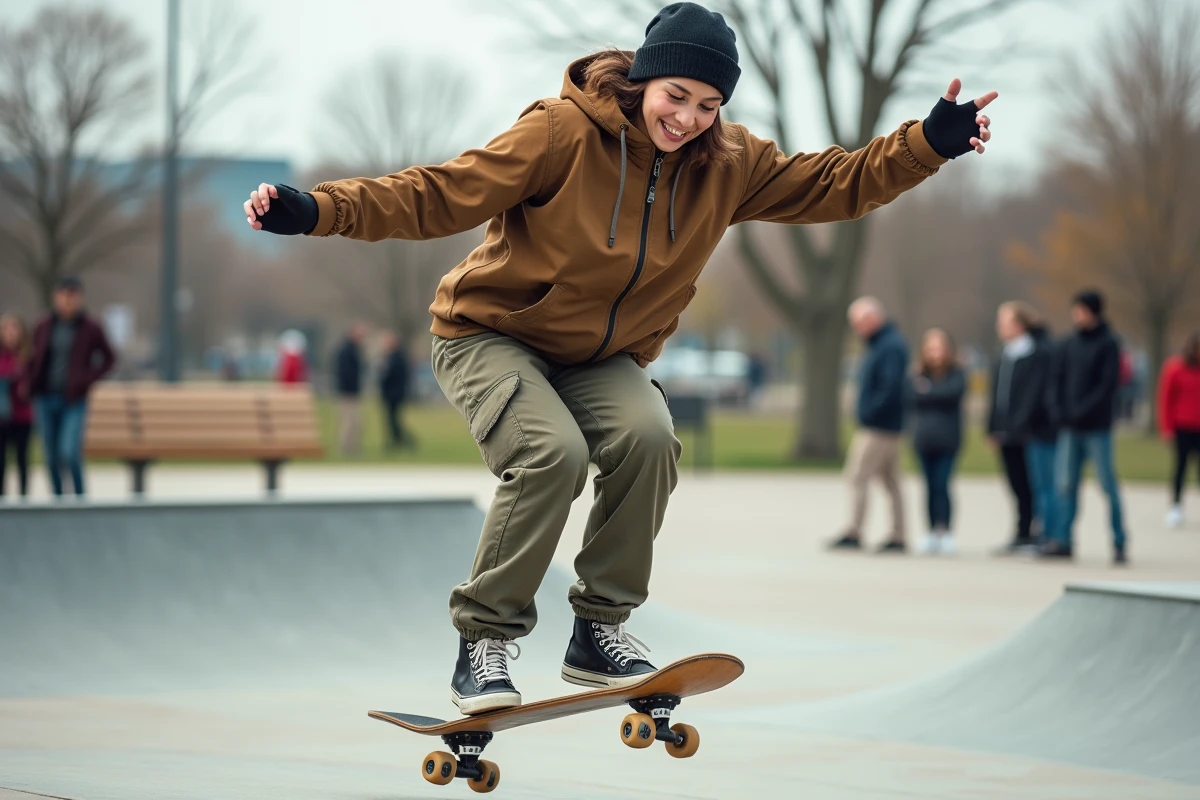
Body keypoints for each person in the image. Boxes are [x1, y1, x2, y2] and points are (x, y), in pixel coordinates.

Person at [243, 2, 997, 713]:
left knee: (648, 440)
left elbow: (837, 183)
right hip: (490, 335)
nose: (688, 119)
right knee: (551, 454)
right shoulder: (559, 133)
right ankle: (484, 641)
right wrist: (319, 209)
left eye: (708, 104)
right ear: (642, 80)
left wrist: (926, 143)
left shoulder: (729, 163)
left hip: (601, 358)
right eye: (676, 95)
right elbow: (441, 193)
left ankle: (598, 629)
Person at [1041, 290, 1128, 563]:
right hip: (1069, 426)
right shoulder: (1068, 344)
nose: (1076, 315)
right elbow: (1055, 379)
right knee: (1065, 484)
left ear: (1093, 312)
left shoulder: (1108, 344)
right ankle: (1063, 539)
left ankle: (1119, 540)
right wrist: (1058, 410)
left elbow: (1106, 385)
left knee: (1107, 484)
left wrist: (1081, 411)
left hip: (1096, 426)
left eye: (1081, 310)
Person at [830, 298, 910, 553]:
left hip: (879, 427)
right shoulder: (880, 344)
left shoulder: (890, 346)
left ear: (873, 318)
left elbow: (891, 387)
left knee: (857, 476)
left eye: (859, 322)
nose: (857, 328)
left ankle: (854, 531)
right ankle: (898, 535)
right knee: (891, 482)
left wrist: (871, 412)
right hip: (883, 425)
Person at [28, 277, 115, 498]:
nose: (68, 301)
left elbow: (109, 358)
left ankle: (79, 499)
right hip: (45, 397)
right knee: (50, 455)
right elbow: (31, 357)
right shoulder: (44, 325)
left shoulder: (90, 327)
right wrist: (29, 381)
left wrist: (87, 378)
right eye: (64, 295)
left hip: (74, 399)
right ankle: (58, 499)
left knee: (68, 452)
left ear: (79, 298)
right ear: (56, 297)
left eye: (72, 296)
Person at [986, 302, 1040, 554]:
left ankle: (1032, 532)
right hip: (1004, 431)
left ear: (1018, 325)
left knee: (1031, 483)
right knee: (1014, 483)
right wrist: (992, 428)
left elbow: (1032, 395)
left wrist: (1021, 424)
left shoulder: (1033, 354)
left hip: (1025, 433)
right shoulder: (1004, 354)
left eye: (1004, 321)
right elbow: (995, 395)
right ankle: (1020, 531)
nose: (999, 327)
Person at [907, 328, 966, 555]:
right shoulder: (917, 373)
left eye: (939, 347)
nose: (935, 353)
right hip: (924, 439)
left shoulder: (956, 373)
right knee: (929, 488)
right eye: (931, 348)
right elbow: (911, 397)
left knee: (943, 485)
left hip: (948, 440)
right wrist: (933, 392)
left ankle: (946, 531)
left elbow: (951, 395)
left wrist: (929, 391)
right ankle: (932, 531)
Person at [1018, 315, 1062, 551]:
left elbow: (1036, 392)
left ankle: (1049, 535)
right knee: (1045, 486)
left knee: (1046, 486)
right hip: (1042, 427)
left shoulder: (1039, 354)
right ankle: (1047, 533)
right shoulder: (1047, 350)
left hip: (1041, 428)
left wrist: (1022, 420)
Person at [1158, 332, 1200, 529]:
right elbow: (1166, 399)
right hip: (1183, 425)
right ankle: (1176, 506)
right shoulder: (1175, 368)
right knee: (1180, 468)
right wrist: (1166, 427)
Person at [0, 313, 34, 499]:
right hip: (2, 416)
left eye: (14, 328)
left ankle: (23, 497)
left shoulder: (27, 356)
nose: (11, 333)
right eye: (7, 329)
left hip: (22, 415)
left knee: (22, 458)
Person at [379, 331, 416, 451]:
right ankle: (397, 441)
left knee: (394, 420)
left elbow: (394, 375)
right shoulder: (389, 356)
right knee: (391, 420)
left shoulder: (398, 358)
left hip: (395, 394)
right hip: (389, 394)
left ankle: (403, 441)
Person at [333, 322, 366, 456]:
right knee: (348, 421)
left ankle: (352, 446)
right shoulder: (346, 350)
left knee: (355, 422)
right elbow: (345, 372)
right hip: (347, 391)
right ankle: (346, 447)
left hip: (352, 391)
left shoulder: (354, 349)